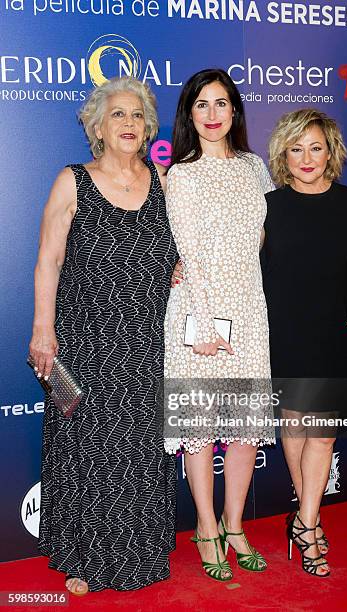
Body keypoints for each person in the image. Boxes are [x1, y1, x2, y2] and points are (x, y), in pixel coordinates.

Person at [29, 77, 178, 594]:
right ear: (97, 125)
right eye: (117, 114)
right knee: (81, 443)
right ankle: (84, 557)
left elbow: (170, 249)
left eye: (137, 115)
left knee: (140, 446)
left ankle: (138, 549)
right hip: (81, 342)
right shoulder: (72, 180)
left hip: (145, 343)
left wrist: (174, 266)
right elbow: (48, 259)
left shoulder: (161, 180)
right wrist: (42, 332)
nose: (129, 124)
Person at [163, 68, 274, 582]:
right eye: (200, 105)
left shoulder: (255, 168)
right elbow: (183, 250)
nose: (211, 115)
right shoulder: (179, 174)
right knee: (201, 428)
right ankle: (206, 527)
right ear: (189, 114)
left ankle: (235, 524)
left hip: (249, 308)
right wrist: (204, 323)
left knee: (246, 426)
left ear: (234, 111)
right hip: (199, 310)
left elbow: (275, 230)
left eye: (221, 103)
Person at [262, 108, 347, 577]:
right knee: (294, 426)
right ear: (284, 155)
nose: (307, 158)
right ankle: (307, 517)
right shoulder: (267, 205)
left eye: (316, 147)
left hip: (334, 329)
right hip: (283, 328)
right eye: (296, 148)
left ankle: (306, 522)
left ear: (331, 153)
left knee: (323, 430)